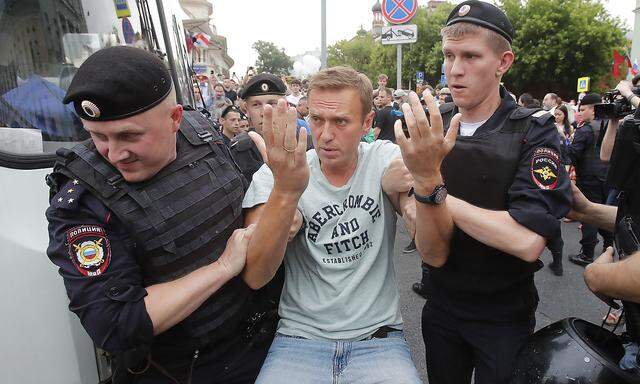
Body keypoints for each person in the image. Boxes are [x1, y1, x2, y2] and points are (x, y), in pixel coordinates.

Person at [44, 46, 275, 384]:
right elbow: (114, 321)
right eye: (97, 136)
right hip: (187, 369)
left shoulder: (204, 135)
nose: (113, 153)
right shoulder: (83, 198)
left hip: (261, 335)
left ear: (174, 119)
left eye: (128, 135)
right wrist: (223, 267)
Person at [412, 2, 571, 383]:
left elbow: (527, 240)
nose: (455, 69)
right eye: (449, 56)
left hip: (502, 317)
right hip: (441, 307)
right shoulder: (434, 123)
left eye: (470, 56)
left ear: (503, 62)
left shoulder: (535, 131)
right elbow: (395, 182)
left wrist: (433, 190)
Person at [241, 66, 422, 383]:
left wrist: (419, 188)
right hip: (299, 339)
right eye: (317, 120)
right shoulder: (280, 172)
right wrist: (285, 196)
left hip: (378, 340)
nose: (325, 135)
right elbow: (256, 275)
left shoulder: (382, 158)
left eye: (340, 121)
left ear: (367, 122)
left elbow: (428, 238)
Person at [565, 93, 614, 266]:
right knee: (605, 211)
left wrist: (564, 145)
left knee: (588, 214)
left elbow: (572, 154)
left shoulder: (585, 129)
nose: (579, 112)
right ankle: (609, 248)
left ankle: (586, 254)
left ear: (593, 109)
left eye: (583, 109)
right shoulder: (612, 125)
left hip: (588, 178)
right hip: (608, 177)